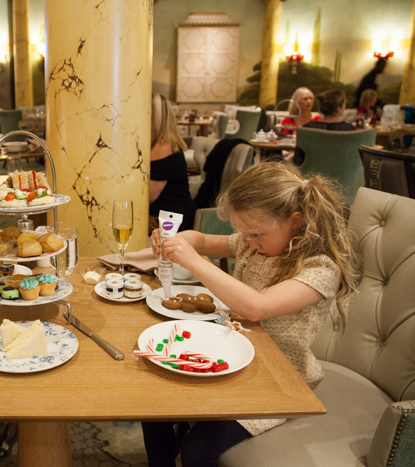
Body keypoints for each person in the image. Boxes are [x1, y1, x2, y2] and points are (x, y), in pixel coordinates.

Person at [145, 162, 358, 467]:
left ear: (295, 222)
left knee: (198, 450)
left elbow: (256, 307)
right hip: (230, 355)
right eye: (244, 234)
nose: (249, 242)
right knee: (153, 406)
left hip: (276, 378)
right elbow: (205, 241)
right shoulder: (255, 244)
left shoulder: (319, 269)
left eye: (256, 234)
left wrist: (195, 262)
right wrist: (179, 240)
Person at [148, 93, 195, 233]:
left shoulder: (162, 146)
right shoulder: (160, 143)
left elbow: (149, 197)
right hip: (168, 213)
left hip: (170, 219)